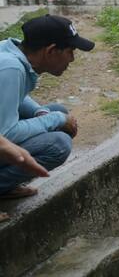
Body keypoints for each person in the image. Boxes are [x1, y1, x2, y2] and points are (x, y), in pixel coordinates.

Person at [0, 14, 93, 201]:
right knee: (58, 144)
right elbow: (5, 134)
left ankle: (5, 184)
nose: (72, 59)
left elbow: (13, 96)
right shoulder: (11, 68)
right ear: (50, 51)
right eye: (70, 51)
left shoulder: (11, 53)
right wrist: (55, 119)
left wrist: (42, 113)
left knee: (57, 110)